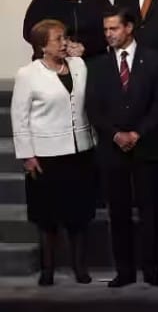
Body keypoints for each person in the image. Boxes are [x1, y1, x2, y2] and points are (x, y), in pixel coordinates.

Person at [85, 7, 158, 288]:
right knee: (118, 213)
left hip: (146, 147)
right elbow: (93, 109)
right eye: (106, 29)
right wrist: (116, 134)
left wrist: (138, 132)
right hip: (112, 149)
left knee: (149, 212)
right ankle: (124, 271)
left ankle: (151, 270)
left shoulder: (154, 60)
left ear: (129, 28)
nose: (109, 34)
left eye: (114, 29)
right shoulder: (97, 66)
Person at [12, 20, 97, 286]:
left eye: (65, 38)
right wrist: (28, 155)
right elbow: (19, 116)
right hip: (45, 155)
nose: (64, 43)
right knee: (46, 216)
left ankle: (80, 268)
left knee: (79, 214)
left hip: (80, 151)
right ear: (42, 46)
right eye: (58, 39)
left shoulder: (79, 66)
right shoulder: (28, 74)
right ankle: (47, 270)